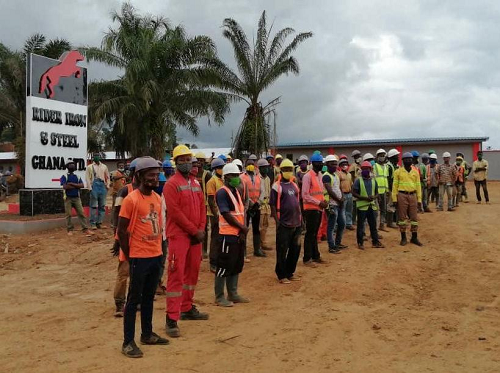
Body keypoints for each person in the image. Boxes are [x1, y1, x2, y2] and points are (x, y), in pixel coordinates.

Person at [117, 157, 168, 358]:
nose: (154, 179)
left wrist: (160, 251)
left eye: (156, 175)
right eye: (150, 175)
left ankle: (147, 334)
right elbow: (121, 231)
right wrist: (130, 256)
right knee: (133, 300)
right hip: (139, 257)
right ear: (138, 176)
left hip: (155, 255)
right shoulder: (131, 200)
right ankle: (127, 342)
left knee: (149, 298)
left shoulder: (157, 198)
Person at [163, 145, 208, 338]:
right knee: (176, 275)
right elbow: (175, 212)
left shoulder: (195, 183)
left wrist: (201, 228)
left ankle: (187, 307)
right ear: (175, 162)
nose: (186, 162)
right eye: (181, 159)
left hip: (195, 236)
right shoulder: (171, 184)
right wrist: (193, 230)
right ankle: (171, 319)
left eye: (188, 159)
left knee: (192, 272)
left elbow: (202, 206)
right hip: (179, 236)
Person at [214, 163, 250, 306]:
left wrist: (241, 230)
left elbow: (240, 213)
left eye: (237, 175)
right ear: (226, 177)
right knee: (224, 265)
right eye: (233, 176)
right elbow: (226, 214)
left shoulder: (235, 191)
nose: (236, 178)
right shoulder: (222, 192)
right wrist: (241, 227)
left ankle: (233, 293)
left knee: (236, 264)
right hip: (227, 235)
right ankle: (219, 296)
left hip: (237, 234)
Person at [111, 158, 140, 317]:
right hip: (126, 238)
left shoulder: (147, 191)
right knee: (124, 272)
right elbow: (116, 214)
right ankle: (119, 303)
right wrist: (117, 238)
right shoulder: (125, 191)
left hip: (141, 239)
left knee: (138, 273)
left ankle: (134, 301)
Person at [270, 159, 302, 284]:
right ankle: (281, 274)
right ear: (281, 171)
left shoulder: (294, 185)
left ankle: (290, 272)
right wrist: (277, 222)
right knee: (282, 250)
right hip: (284, 223)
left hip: (296, 222)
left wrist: (301, 220)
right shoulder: (276, 186)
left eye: (290, 169)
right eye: (286, 170)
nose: (288, 172)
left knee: (295, 250)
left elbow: (298, 203)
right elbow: (272, 205)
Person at [302, 153, 328, 267]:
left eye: (321, 163)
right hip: (310, 209)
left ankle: (315, 255)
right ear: (313, 164)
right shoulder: (307, 176)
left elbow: (320, 192)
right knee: (310, 234)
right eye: (318, 163)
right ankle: (307, 258)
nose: (321, 165)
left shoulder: (320, 175)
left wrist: (324, 201)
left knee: (314, 233)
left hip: (318, 208)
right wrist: (319, 202)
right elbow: (305, 195)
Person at [392, 152, 423, 246]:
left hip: (413, 195)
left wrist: (419, 200)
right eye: (406, 159)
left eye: (410, 159)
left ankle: (414, 237)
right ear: (403, 161)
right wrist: (394, 199)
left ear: (412, 160)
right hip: (402, 195)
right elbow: (394, 186)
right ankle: (403, 238)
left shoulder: (415, 171)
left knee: (414, 218)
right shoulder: (398, 172)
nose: (408, 161)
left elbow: (418, 186)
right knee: (402, 218)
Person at [352, 161, 384, 250]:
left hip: (371, 206)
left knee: (373, 225)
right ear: (361, 170)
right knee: (360, 226)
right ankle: (360, 243)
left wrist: (374, 197)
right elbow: (354, 193)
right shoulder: (358, 180)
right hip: (362, 206)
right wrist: (365, 198)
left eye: (368, 169)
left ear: (370, 169)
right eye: (364, 169)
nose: (366, 170)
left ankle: (375, 242)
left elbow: (377, 193)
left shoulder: (373, 181)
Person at [241, 155, 266, 257]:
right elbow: (242, 192)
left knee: (256, 229)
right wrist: (250, 203)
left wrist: (258, 203)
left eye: (252, 164)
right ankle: (243, 252)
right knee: (244, 228)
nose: (251, 166)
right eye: (248, 164)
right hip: (247, 207)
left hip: (257, 206)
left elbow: (263, 191)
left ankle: (257, 249)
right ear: (245, 166)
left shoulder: (258, 177)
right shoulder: (242, 177)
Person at [60, 160, 92, 236]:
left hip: (77, 198)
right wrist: (76, 185)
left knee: (81, 213)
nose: (72, 166)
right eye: (70, 165)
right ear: (67, 167)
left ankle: (85, 229)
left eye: (73, 165)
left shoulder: (77, 176)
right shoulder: (64, 176)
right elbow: (65, 186)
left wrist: (71, 183)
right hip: (68, 198)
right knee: (68, 215)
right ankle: (69, 230)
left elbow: (82, 185)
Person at [323, 155, 346, 254]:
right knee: (331, 226)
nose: (335, 166)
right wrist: (339, 200)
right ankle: (331, 246)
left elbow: (339, 188)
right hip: (332, 204)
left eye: (336, 164)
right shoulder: (326, 176)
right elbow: (330, 190)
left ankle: (337, 243)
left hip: (339, 203)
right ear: (327, 164)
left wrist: (342, 198)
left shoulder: (336, 175)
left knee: (342, 223)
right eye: (332, 164)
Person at [206, 158, 226, 270]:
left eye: (222, 167)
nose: (221, 169)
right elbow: (210, 200)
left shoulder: (222, 180)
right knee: (215, 237)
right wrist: (216, 215)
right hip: (215, 214)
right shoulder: (212, 181)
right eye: (220, 168)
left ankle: (219, 259)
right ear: (215, 169)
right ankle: (213, 262)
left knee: (222, 237)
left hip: (222, 213)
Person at [194, 154, 212, 259]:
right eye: (197, 161)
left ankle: (204, 250)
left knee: (204, 227)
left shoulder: (207, 175)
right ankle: (197, 250)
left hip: (204, 204)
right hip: (193, 204)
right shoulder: (192, 174)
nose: (199, 163)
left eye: (201, 161)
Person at [85, 153, 110, 229]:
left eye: (98, 156)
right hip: (94, 186)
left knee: (102, 206)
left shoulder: (104, 166)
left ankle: (99, 223)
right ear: (93, 158)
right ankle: (93, 223)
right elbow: (87, 178)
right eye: (95, 156)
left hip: (102, 186)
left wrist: (107, 185)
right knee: (93, 206)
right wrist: (90, 188)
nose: (96, 157)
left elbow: (108, 177)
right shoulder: (89, 167)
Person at [256, 159, 272, 251]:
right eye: (264, 167)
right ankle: (259, 244)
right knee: (260, 225)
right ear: (260, 168)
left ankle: (263, 242)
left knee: (265, 225)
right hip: (260, 204)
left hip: (267, 205)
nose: (266, 169)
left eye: (266, 167)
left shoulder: (268, 179)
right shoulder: (258, 178)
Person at [374, 149, 389, 231]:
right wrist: (376, 192)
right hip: (377, 193)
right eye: (380, 155)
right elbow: (374, 179)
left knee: (384, 209)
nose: (382, 157)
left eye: (383, 155)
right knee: (376, 211)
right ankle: (375, 228)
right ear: (377, 157)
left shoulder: (386, 166)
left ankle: (382, 225)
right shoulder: (375, 166)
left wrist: (387, 191)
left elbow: (385, 179)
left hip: (384, 192)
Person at [338, 155, 354, 230]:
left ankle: (349, 224)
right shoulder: (339, 174)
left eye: (346, 164)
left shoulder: (349, 174)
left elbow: (351, 184)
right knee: (343, 210)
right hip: (343, 194)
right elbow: (338, 185)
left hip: (349, 194)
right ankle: (343, 225)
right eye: (343, 164)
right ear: (340, 166)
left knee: (349, 210)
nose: (345, 166)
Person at [386, 149, 400, 228]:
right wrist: (391, 190)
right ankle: (390, 222)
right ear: (392, 157)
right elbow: (388, 179)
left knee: (397, 205)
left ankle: (397, 221)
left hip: (398, 188)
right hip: (391, 189)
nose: (398, 157)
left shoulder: (397, 166)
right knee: (390, 205)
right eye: (397, 156)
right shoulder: (389, 166)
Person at [110, 161, 127, 228]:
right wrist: (122, 176)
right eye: (120, 165)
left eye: (122, 165)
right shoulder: (115, 173)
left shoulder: (125, 173)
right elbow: (114, 178)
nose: (121, 166)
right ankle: (112, 223)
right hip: (116, 193)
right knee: (115, 208)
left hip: (123, 193)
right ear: (117, 166)